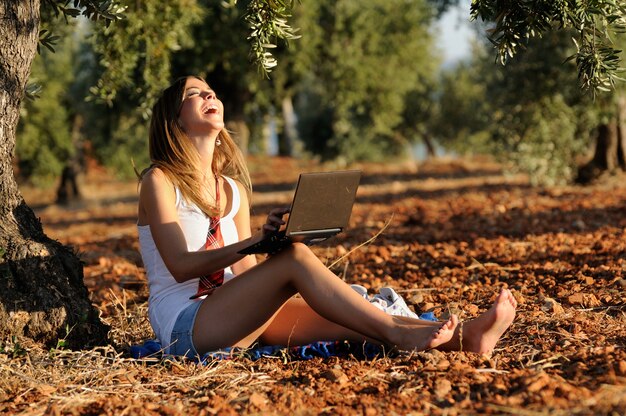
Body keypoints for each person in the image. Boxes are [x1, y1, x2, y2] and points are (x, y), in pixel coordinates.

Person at [137, 75, 517, 358]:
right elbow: (182, 265)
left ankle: (466, 339)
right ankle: (401, 334)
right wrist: (258, 244)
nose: (209, 95)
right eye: (194, 93)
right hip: (184, 327)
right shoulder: (159, 180)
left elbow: (248, 276)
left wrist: (277, 247)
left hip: (232, 315)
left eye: (212, 91)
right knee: (299, 263)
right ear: (175, 120)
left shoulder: (234, 189)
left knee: (348, 317)